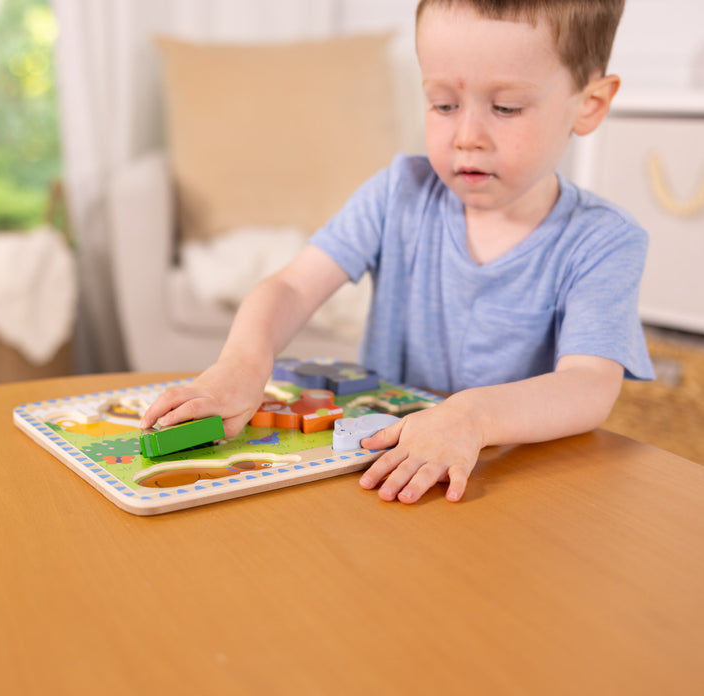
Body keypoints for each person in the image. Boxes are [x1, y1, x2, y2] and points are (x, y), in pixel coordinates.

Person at [141, 0, 653, 504]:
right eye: (444, 104)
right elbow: (293, 286)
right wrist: (242, 363)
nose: (467, 137)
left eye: (506, 107)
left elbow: (589, 386)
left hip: (517, 484)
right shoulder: (397, 193)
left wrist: (471, 417)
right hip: (387, 473)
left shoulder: (604, 239)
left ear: (589, 104)